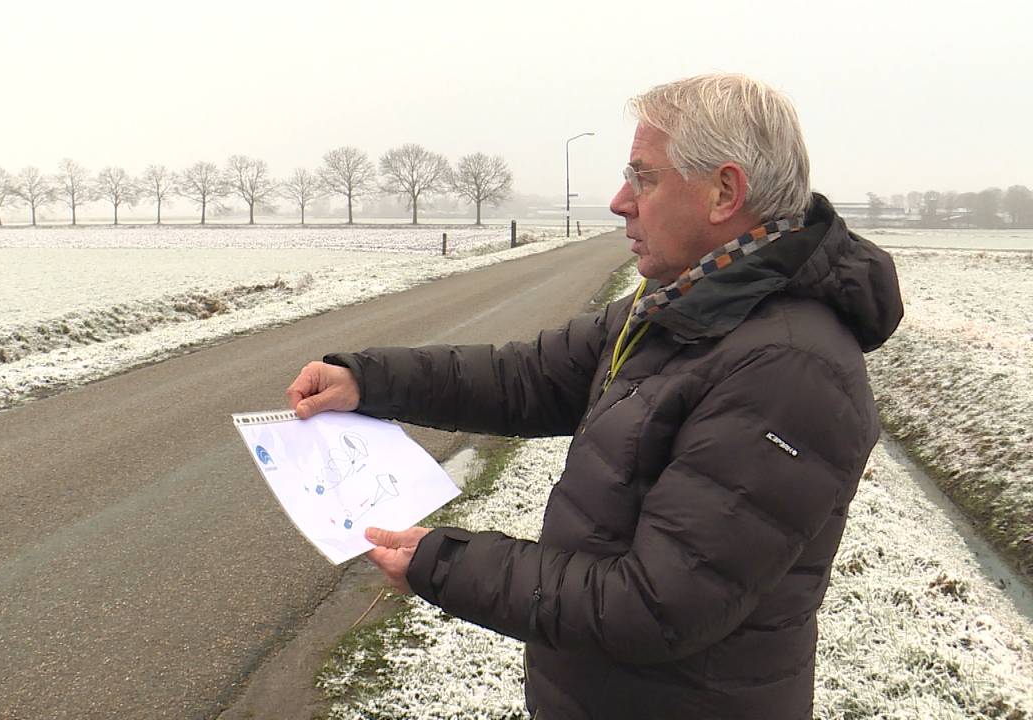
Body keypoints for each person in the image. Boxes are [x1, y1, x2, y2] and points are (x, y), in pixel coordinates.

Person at [286, 73, 903, 719]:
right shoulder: (680, 306)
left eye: (643, 178)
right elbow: (528, 377)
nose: (618, 201)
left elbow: (655, 605)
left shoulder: (787, 368)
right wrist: (369, 381)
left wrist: (445, 562)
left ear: (725, 191)